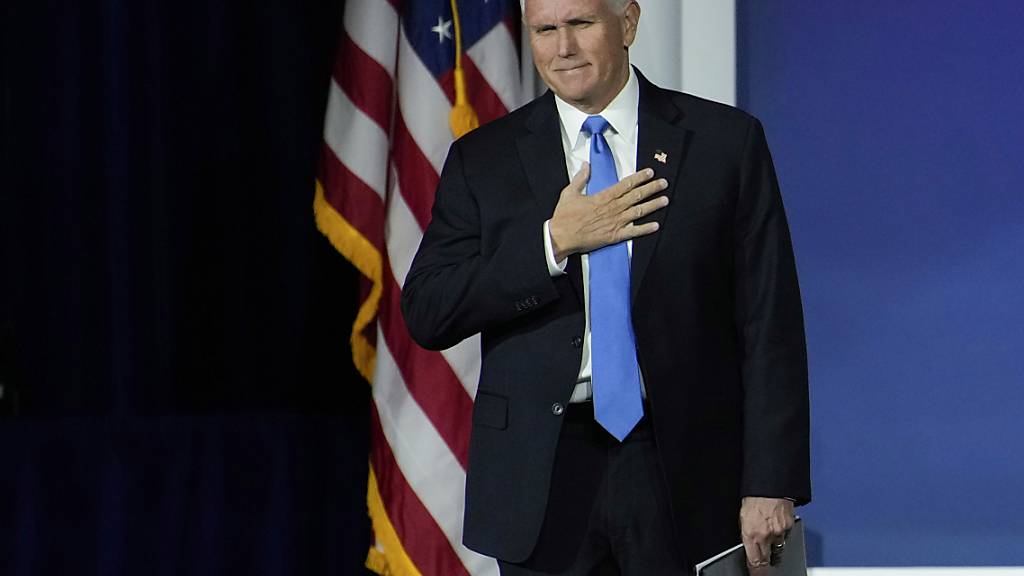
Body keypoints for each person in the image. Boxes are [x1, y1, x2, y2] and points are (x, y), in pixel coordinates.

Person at [401, 0, 810, 573]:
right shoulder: (483, 159)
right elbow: (428, 309)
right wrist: (551, 244)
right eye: (545, 30)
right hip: (543, 475)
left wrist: (771, 481)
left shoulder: (724, 142)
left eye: (581, 23)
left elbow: (770, 323)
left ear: (629, 22)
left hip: (682, 466)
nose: (562, 47)